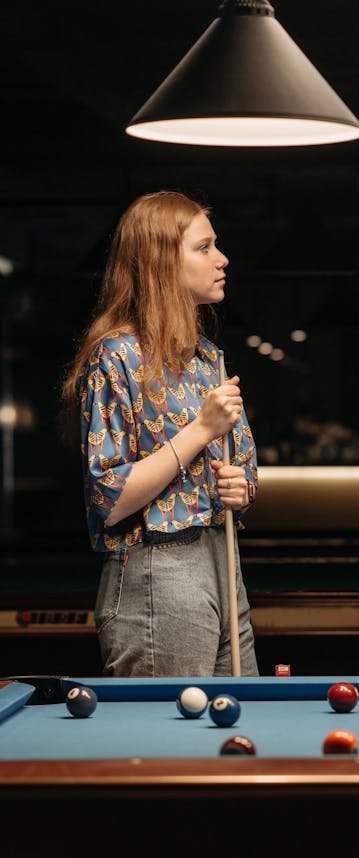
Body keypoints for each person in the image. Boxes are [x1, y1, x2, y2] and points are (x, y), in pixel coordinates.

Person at [61, 190, 259, 677]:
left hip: (223, 559)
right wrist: (201, 430)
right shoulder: (116, 358)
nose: (222, 258)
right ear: (161, 262)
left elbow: (242, 464)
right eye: (204, 247)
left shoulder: (208, 357)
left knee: (243, 728)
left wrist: (241, 488)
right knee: (172, 747)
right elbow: (110, 497)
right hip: (157, 571)